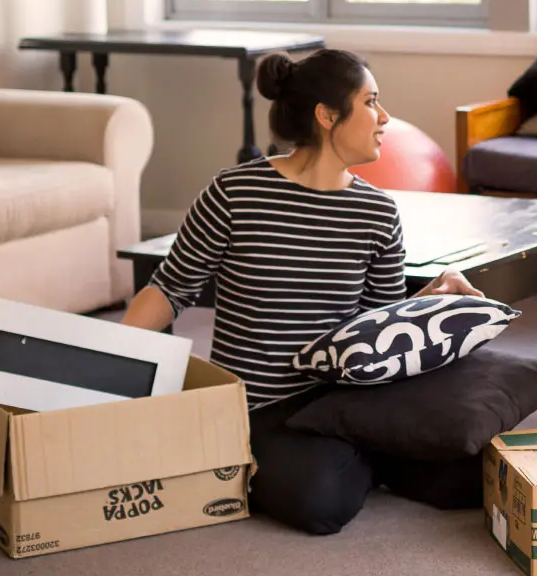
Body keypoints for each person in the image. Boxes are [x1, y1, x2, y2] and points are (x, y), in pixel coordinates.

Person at [121, 48, 481, 533]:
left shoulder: (377, 213)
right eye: (371, 101)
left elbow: (378, 328)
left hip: (342, 402)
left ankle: (372, 456)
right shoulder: (235, 192)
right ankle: (376, 462)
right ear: (327, 115)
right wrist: (109, 360)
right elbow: (170, 289)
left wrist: (437, 299)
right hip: (259, 408)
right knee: (320, 502)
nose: (385, 117)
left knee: (474, 473)